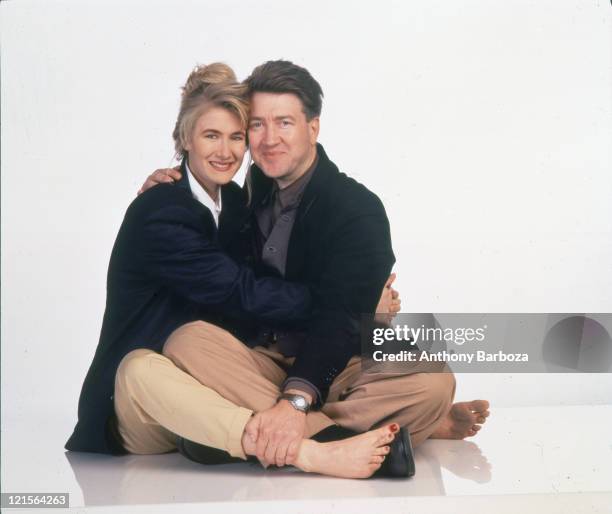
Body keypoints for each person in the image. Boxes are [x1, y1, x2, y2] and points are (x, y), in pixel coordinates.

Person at [142, 60, 490, 473]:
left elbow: (341, 320)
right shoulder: (247, 190)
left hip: (339, 361)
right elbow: (219, 261)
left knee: (434, 383)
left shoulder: (357, 209)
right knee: (186, 341)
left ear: (313, 127)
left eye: (285, 123)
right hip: (264, 359)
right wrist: (174, 186)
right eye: (257, 125)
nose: (270, 140)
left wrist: (295, 400)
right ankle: (385, 434)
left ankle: (257, 436)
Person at [65, 63, 406, 480]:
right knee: (141, 366)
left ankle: (381, 425)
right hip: (152, 397)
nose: (225, 151)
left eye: (236, 137)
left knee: (431, 378)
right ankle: (315, 450)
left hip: (219, 390)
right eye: (211, 135)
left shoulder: (236, 202)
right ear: (184, 138)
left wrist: (354, 304)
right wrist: (354, 302)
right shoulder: (159, 213)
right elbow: (244, 292)